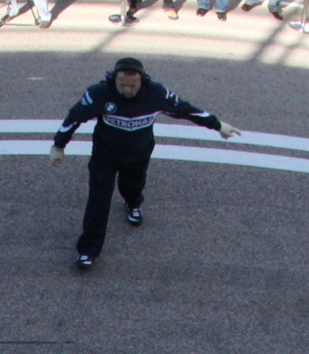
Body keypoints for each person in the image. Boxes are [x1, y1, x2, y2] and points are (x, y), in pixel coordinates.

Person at [50, 57, 238, 272]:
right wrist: (59, 145)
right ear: (114, 79)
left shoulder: (156, 94)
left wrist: (217, 125)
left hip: (138, 153)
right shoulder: (99, 93)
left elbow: (186, 110)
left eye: (132, 86)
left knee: (133, 184)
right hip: (105, 154)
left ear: (142, 80)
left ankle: (133, 203)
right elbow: (74, 117)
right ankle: (88, 250)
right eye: (122, 85)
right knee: (98, 199)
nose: (127, 90)